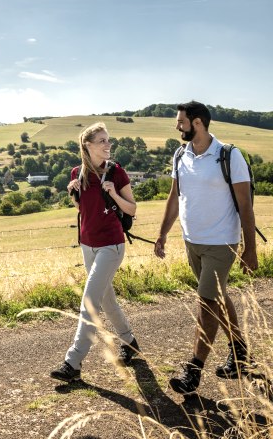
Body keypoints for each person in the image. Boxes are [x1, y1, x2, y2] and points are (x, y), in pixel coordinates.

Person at [154, 100, 258, 395]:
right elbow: (175, 197)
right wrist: (162, 233)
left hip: (221, 243)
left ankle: (193, 371)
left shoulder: (228, 155)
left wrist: (250, 249)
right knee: (218, 297)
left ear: (197, 122)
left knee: (207, 303)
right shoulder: (180, 155)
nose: (177, 126)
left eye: (181, 122)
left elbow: (245, 207)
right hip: (192, 242)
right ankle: (240, 354)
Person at [50, 122, 140, 383]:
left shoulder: (116, 173)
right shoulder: (77, 173)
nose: (107, 145)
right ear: (87, 145)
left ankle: (73, 362)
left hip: (111, 246)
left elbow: (132, 209)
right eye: (101, 141)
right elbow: (84, 210)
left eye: (108, 140)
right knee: (106, 299)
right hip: (87, 245)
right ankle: (130, 341)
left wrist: (113, 191)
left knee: (90, 301)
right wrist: (73, 194)